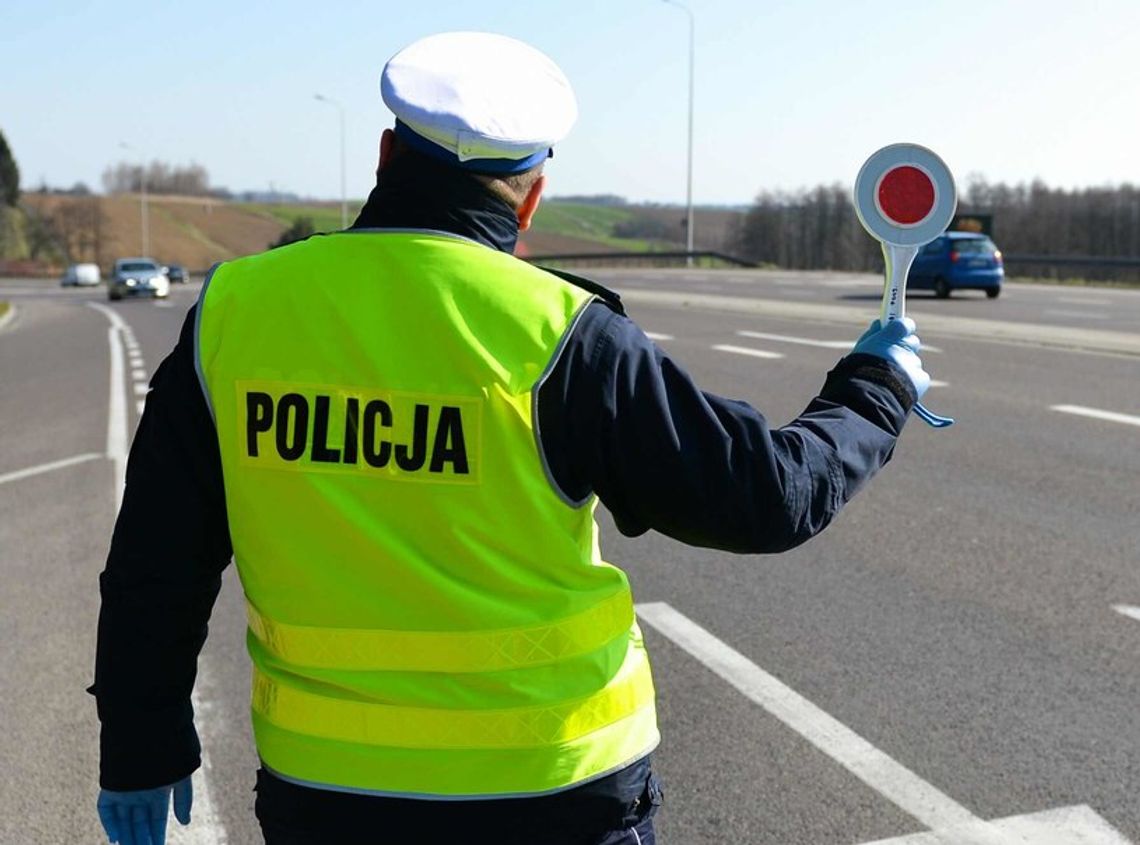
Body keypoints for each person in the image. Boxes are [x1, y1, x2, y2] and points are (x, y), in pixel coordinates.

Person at [91, 31, 932, 845]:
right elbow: (766, 496)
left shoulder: (237, 313)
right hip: (554, 790)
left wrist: (140, 743)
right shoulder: (564, 334)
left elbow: (155, 558)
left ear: (385, 156)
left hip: (329, 793)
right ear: (531, 197)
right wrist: (877, 387)